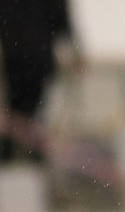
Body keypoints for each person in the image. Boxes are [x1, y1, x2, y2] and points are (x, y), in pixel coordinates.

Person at [0, 0, 80, 164]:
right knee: (29, 112)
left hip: (20, 61)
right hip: (34, 61)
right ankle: (25, 154)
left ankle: (14, 154)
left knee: (21, 111)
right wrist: (76, 53)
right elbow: (64, 25)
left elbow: (63, 24)